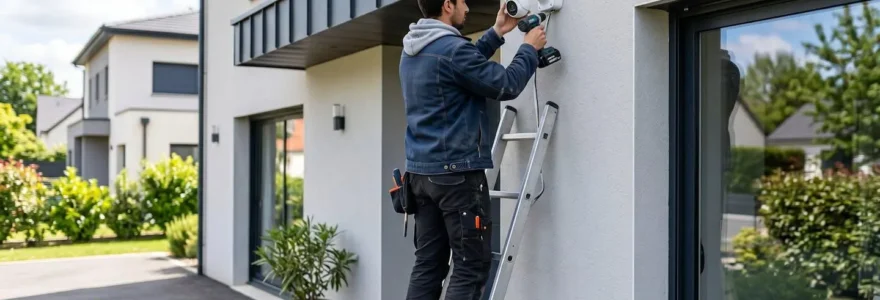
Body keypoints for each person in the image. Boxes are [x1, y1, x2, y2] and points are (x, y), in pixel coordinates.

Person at [399, 0, 546, 299]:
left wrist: (496, 32)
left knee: (429, 265)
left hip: (420, 177)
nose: (467, 6)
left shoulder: (413, 49)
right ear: (447, 5)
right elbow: (505, 85)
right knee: (470, 267)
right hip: (456, 179)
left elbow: (462, 69)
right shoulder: (452, 49)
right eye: (463, 1)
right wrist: (529, 47)